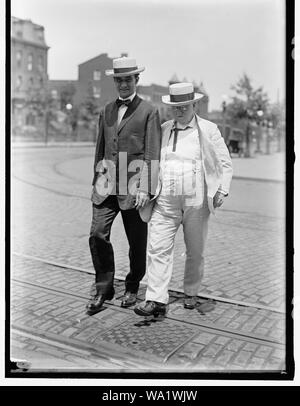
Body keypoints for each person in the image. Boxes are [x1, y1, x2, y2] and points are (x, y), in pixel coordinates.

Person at [135, 82, 233, 318]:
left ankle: (191, 292)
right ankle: (155, 299)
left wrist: (222, 190)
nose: (178, 111)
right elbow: (151, 161)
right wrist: (143, 187)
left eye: (183, 106)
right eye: (175, 106)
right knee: (157, 248)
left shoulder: (208, 129)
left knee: (195, 251)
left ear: (193, 104)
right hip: (165, 200)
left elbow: (225, 163)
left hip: (196, 202)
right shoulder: (164, 128)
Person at [86, 56, 161, 316]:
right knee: (97, 234)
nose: (123, 84)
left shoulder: (149, 111)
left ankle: (132, 286)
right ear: (115, 82)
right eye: (119, 80)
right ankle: (104, 287)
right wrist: (96, 181)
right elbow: (100, 148)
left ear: (136, 80)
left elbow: (152, 153)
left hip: (134, 187)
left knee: (136, 242)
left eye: (128, 79)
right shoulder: (106, 110)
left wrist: (146, 188)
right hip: (106, 186)